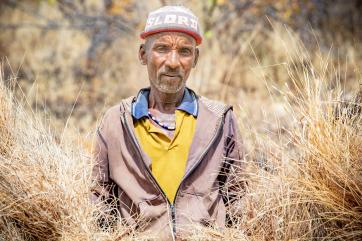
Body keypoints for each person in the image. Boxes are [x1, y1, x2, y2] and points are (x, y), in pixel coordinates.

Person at [92, 5, 243, 240]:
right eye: (162, 48)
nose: (173, 62)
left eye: (184, 51)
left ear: (195, 59)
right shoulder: (116, 121)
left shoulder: (219, 120)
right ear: (143, 54)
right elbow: (98, 202)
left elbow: (239, 201)